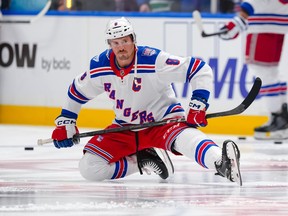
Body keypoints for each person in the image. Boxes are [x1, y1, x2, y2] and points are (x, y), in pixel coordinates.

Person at [51, 17, 241, 185]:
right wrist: (66, 122)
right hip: (125, 128)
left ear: (133, 39)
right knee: (89, 168)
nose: (121, 47)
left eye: (125, 41)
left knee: (187, 140)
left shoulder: (153, 60)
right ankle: (142, 160)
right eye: (115, 43)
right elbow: (77, 90)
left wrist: (198, 105)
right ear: (109, 44)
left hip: (163, 122)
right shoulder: (100, 66)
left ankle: (222, 163)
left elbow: (199, 69)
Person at [218, 0, 288, 140]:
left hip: (262, 21)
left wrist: (240, 18)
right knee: (271, 72)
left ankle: (278, 119)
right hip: (277, 21)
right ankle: (282, 119)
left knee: (264, 72)